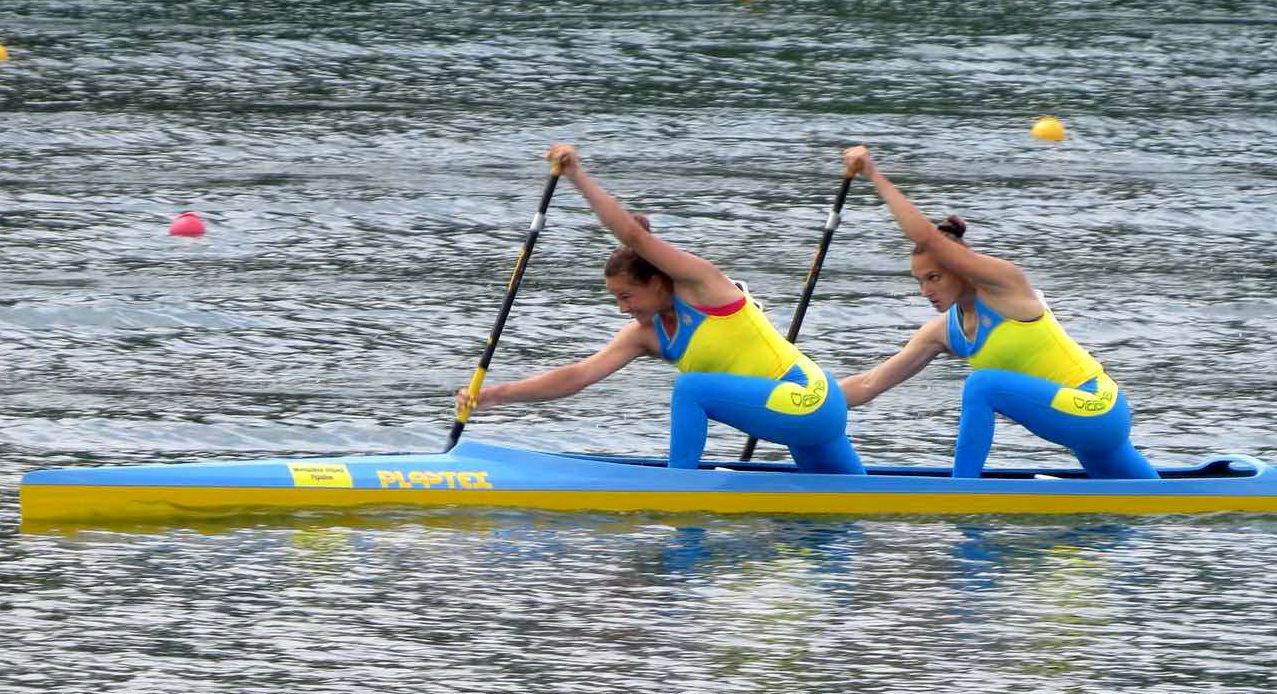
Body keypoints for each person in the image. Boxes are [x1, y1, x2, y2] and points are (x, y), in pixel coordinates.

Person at [456, 144, 864, 474]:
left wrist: (577, 175)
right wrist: (493, 396)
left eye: (626, 297)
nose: (621, 309)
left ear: (655, 281)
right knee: (844, 514)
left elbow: (631, 234)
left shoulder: (702, 285)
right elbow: (577, 376)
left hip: (809, 398)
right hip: (802, 418)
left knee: (691, 388)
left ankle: (678, 485)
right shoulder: (646, 334)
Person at [836, 146, 1158, 479]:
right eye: (919, 281)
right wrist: (812, 401)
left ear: (960, 268)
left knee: (982, 385)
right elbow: (869, 384)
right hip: (1084, 430)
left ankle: (961, 491)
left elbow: (925, 238)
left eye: (934, 277)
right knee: (1139, 513)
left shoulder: (1007, 287)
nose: (925, 291)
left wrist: (873, 174)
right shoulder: (942, 332)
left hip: (1097, 407)